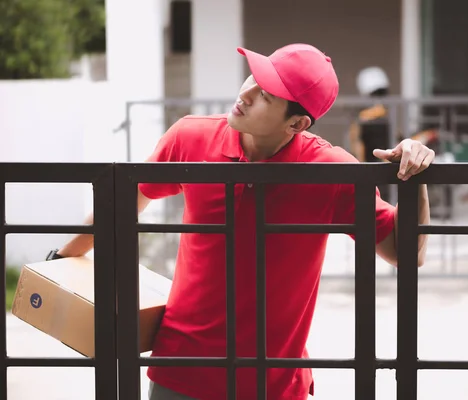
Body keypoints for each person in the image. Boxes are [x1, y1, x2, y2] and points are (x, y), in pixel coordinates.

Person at [48, 44, 434, 400]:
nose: (245, 93)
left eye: (265, 95)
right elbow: (121, 206)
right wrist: (60, 263)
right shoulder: (190, 138)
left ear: (297, 125)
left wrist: (415, 177)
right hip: (180, 372)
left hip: (274, 382)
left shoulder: (330, 172)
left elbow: (404, 253)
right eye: (253, 77)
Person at [349, 66, 394, 202]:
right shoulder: (371, 119)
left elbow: (357, 146)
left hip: (375, 170)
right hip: (379, 169)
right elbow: (359, 146)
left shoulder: (365, 119)